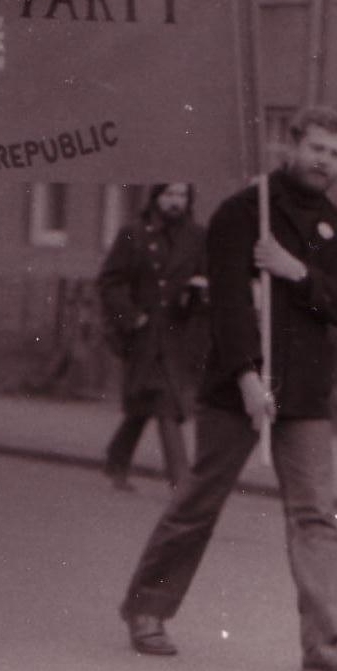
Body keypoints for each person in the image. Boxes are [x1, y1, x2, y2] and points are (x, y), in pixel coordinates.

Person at [119, 107, 337, 671]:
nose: (323, 162)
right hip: (239, 387)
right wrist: (248, 378)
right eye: (316, 149)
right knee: (199, 502)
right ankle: (148, 608)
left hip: (305, 392)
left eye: (335, 154)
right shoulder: (243, 212)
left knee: (315, 515)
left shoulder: (333, 222)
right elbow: (229, 305)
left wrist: (293, 271)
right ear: (292, 145)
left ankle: (324, 644)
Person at [96, 183, 207, 491]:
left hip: (180, 334)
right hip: (144, 334)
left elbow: (206, 277)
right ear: (156, 198)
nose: (175, 202)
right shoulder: (134, 233)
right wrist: (132, 316)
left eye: (181, 195)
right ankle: (182, 482)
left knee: (148, 400)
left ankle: (116, 459)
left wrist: (197, 292)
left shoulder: (198, 237)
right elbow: (110, 282)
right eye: (168, 195)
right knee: (166, 403)